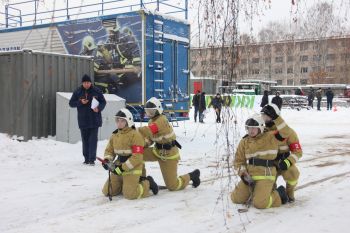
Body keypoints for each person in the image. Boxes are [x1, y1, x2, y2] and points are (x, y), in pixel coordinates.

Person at [230, 111, 292, 209]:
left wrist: (276, 117)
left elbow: (287, 133)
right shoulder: (245, 141)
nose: (251, 130)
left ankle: (279, 194)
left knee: (260, 203)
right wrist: (243, 174)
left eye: (254, 127)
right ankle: (257, 191)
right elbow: (238, 161)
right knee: (236, 199)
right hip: (250, 176)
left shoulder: (271, 136)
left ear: (261, 126)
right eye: (249, 128)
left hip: (266, 175)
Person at [138, 97, 200, 191]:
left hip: (169, 154)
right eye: (148, 111)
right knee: (137, 154)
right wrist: (141, 144)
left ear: (158, 110)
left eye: (152, 111)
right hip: (157, 151)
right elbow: (150, 139)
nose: (149, 114)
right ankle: (143, 179)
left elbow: (149, 130)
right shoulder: (151, 121)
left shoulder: (161, 120)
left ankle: (192, 176)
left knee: (173, 186)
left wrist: (133, 131)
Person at [101, 108, 158, 199]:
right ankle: (125, 183)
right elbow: (109, 150)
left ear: (128, 121)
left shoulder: (135, 135)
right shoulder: (115, 135)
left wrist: (123, 168)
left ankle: (147, 183)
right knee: (107, 191)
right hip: (118, 166)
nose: (119, 123)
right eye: (117, 120)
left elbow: (137, 157)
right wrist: (107, 160)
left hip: (133, 167)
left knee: (130, 194)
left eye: (122, 121)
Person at [261, 103, 303, 202]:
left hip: (283, 162)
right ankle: (276, 193)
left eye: (267, 116)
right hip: (268, 164)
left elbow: (298, 152)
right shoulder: (261, 132)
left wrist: (287, 162)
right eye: (263, 116)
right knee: (266, 189)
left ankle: (289, 193)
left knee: (293, 174)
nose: (265, 119)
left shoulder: (289, 132)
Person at [69, 74, 106, 165]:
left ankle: (91, 159)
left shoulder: (96, 91)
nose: (86, 84)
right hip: (83, 120)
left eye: (88, 82)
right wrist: (80, 102)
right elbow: (71, 103)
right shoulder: (77, 92)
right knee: (85, 140)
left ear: (91, 83)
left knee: (93, 140)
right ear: (82, 83)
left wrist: (99, 108)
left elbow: (103, 102)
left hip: (94, 120)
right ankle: (86, 158)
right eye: (85, 83)